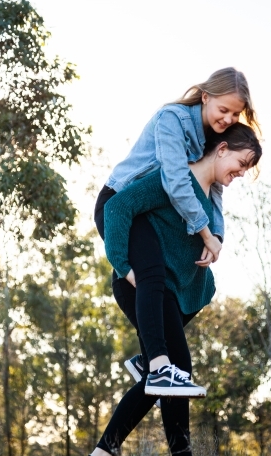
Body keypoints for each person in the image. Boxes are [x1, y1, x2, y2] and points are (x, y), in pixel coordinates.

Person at [80, 123, 262, 456]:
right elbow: (118, 206)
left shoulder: (211, 196)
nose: (241, 174)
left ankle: (104, 455)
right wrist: (123, 265)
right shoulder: (174, 179)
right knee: (175, 371)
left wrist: (214, 243)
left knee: (163, 375)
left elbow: (209, 229)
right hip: (143, 284)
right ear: (222, 148)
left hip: (174, 294)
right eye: (242, 164)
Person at [94, 67, 260, 397]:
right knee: (152, 273)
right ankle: (157, 367)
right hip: (123, 201)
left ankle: (149, 361)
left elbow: (213, 193)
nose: (227, 118)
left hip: (151, 210)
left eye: (235, 113)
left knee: (193, 287)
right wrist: (203, 233)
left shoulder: (210, 137)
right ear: (205, 96)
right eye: (223, 110)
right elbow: (174, 181)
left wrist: (217, 237)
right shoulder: (173, 119)